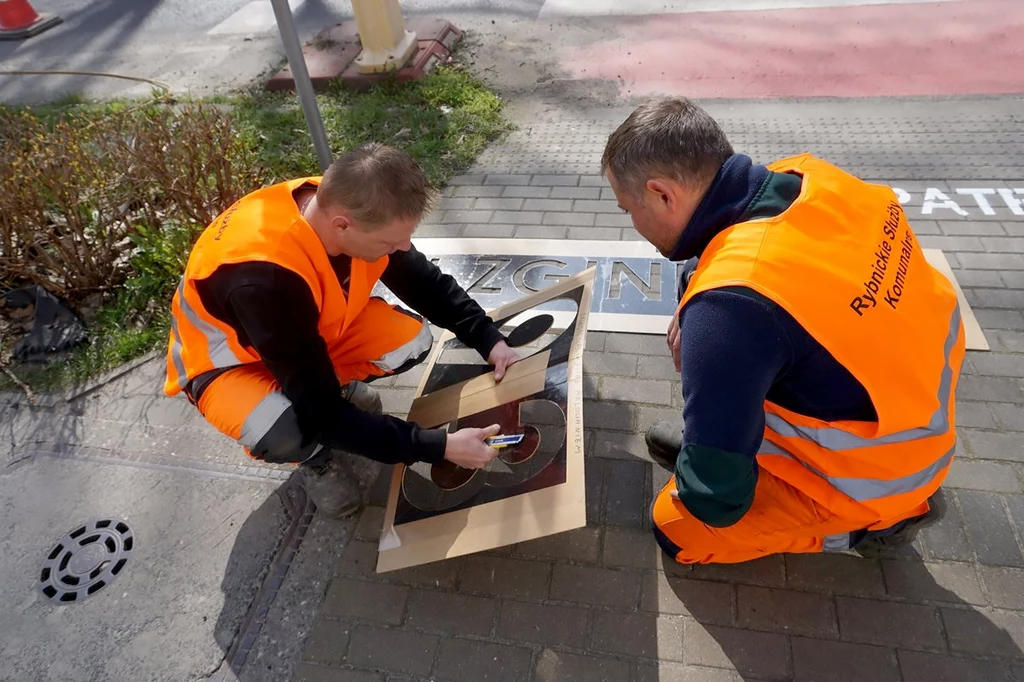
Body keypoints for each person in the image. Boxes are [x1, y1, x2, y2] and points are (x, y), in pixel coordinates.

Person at [601, 98, 965, 564]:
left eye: (628, 208)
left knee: (680, 528)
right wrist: (699, 295)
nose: (632, 224)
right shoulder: (809, 177)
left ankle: (875, 526)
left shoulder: (730, 308)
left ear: (663, 194)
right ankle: (736, 439)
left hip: (874, 474)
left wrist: (707, 460)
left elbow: (717, 501)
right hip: (913, 406)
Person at [163, 143, 520, 518]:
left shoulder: (351, 205)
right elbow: (322, 413)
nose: (402, 247)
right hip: (229, 364)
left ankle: (336, 396)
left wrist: (488, 338)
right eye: (390, 242)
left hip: (295, 338)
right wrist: (439, 446)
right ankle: (315, 459)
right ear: (342, 226)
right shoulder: (263, 279)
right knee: (284, 427)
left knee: (409, 341)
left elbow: (425, 284)